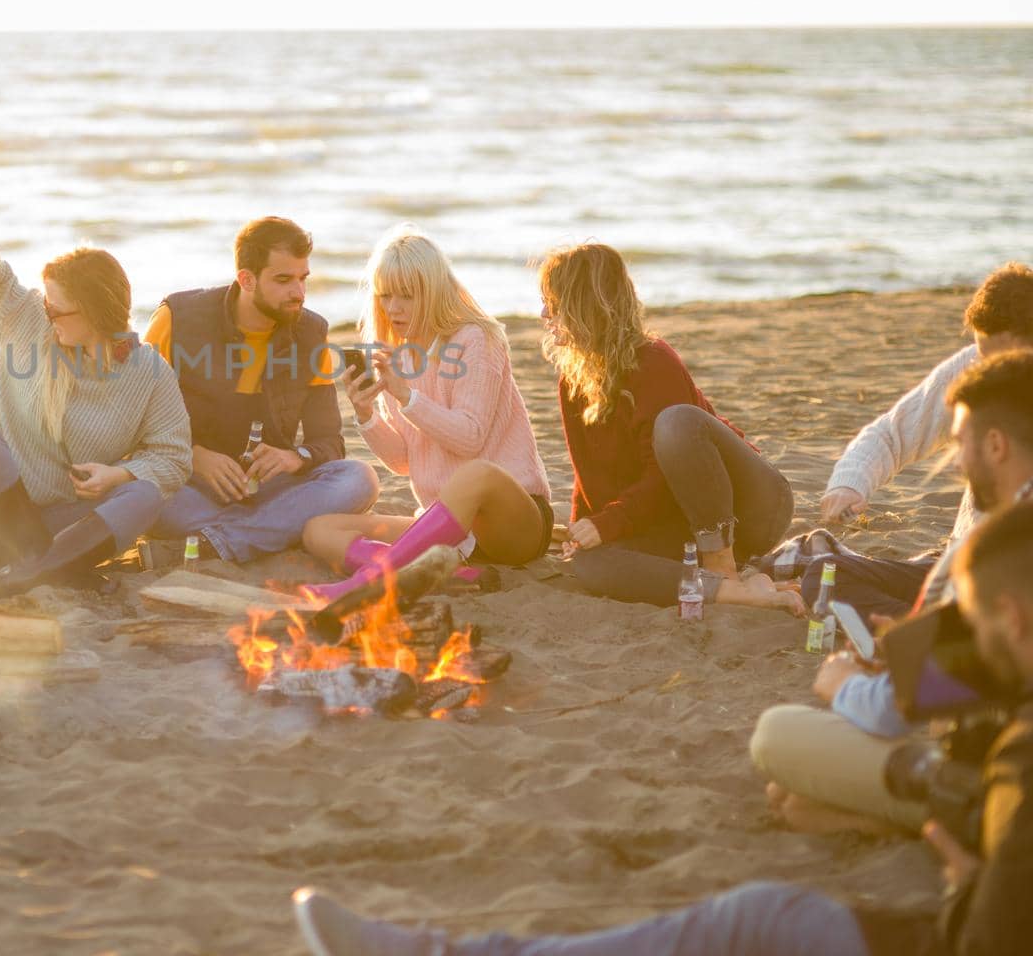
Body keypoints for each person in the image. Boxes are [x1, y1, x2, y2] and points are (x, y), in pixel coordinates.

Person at [290, 497, 1033, 956]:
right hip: (957, 809)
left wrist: (966, 873)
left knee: (760, 914)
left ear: (1010, 618)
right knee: (782, 791)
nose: (964, 646)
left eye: (970, 622)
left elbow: (985, 935)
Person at [753, 349, 1033, 835]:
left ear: (995, 445)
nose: (956, 464)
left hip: (1006, 782)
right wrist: (916, 647)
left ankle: (949, 821)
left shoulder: (1013, 549)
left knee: (775, 736)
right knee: (794, 799)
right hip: (995, 743)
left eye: (959, 442)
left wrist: (840, 683)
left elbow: (891, 715)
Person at [542, 243, 800, 612]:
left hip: (749, 507)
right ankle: (733, 591)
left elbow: (663, 475)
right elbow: (589, 477)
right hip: (674, 524)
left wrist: (612, 521)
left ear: (584, 306)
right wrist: (585, 528)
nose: (543, 314)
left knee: (676, 422)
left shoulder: (653, 360)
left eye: (552, 303)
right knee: (589, 565)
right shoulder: (572, 383)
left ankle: (722, 567)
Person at [299, 227, 551, 598]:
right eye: (386, 296)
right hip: (445, 525)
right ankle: (448, 575)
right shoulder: (396, 353)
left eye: (407, 295)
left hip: (511, 522)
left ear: (433, 291)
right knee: (319, 530)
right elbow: (404, 462)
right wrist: (366, 412)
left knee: (475, 474)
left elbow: (470, 437)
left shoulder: (477, 339)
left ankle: (366, 583)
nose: (394, 308)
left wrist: (405, 395)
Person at [0, 243, 191, 598]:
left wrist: (118, 474)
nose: (47, 314)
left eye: (55, 309)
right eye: (46, 305)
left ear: (92, 312)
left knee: (146, 493)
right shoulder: (31, 322)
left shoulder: (150, 372)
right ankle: (51, 568)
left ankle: (30, 571)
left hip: (61, 526)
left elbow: (174, 458)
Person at [804, 262, 1033, 621]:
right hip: (962, 569)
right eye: (982, 354)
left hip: (1009, 594)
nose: (987, 368)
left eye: (1001, 358)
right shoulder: (973, 371)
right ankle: (919, 635)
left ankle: (924, 641)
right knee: (824, 576)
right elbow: (892, 433)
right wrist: (850, 484)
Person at [143, 217, 378, 564]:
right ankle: (270, 531)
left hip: (270, 491)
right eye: (283, 280)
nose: (298, 292)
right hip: (190, 486)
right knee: (143, 495)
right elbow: (136, 421)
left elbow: (329, 441)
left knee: (360, 479)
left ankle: (223, 539)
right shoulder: (177, 318)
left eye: (303, 279)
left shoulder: (312, 334)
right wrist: (194, 457)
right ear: (246, 279)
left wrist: (294, 457)